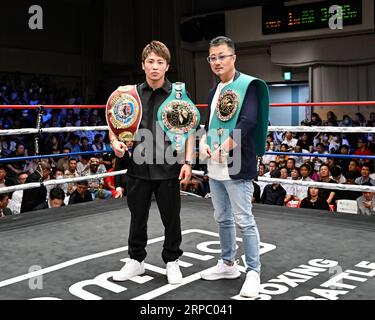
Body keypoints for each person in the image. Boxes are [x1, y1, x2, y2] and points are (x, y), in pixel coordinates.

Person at [108, 41, 196, 285]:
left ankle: (172, 261)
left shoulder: (178, 95)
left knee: (172, 218)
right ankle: (136, 260)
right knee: (137, 216)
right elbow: (115, 125)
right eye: (150, 61)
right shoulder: (130, 94)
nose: (155, 67)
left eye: (160, 62)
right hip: (137, 165)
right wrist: (114, 142)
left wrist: (188, 162)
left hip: (169, 166)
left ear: (167, 66)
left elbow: (189, 131)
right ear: (143, 65)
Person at [199, 36, 269, 298]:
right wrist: (205, 143)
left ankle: (254, 272)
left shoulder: (247, 86)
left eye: (222, 56)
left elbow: (248, 121)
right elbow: (210, 124)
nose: (217, 62)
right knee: (222, 218)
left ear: (233, 58)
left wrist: (223, 148)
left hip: (237, 163)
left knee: (244, 221)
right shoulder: (213, 91)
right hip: (215, 166)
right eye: (212, 57)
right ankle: (228, 264)